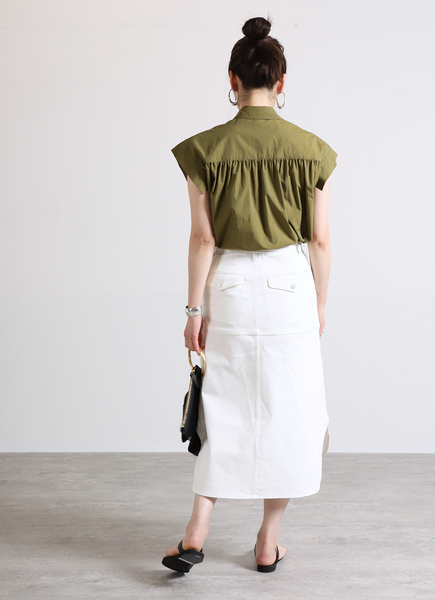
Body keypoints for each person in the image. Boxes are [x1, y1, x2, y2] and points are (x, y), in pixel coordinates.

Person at [163, 15, 338, 574]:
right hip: (290, 286)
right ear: (281, 82)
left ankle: (196, 531)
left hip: (230, 286)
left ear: (233, 80)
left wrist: (194, 310)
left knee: (222, 407)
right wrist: (319, 303)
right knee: (289, 411)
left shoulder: (204, 150)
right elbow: (320, 240)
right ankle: (268, 542)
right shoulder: (313, 150)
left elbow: (202, 239)